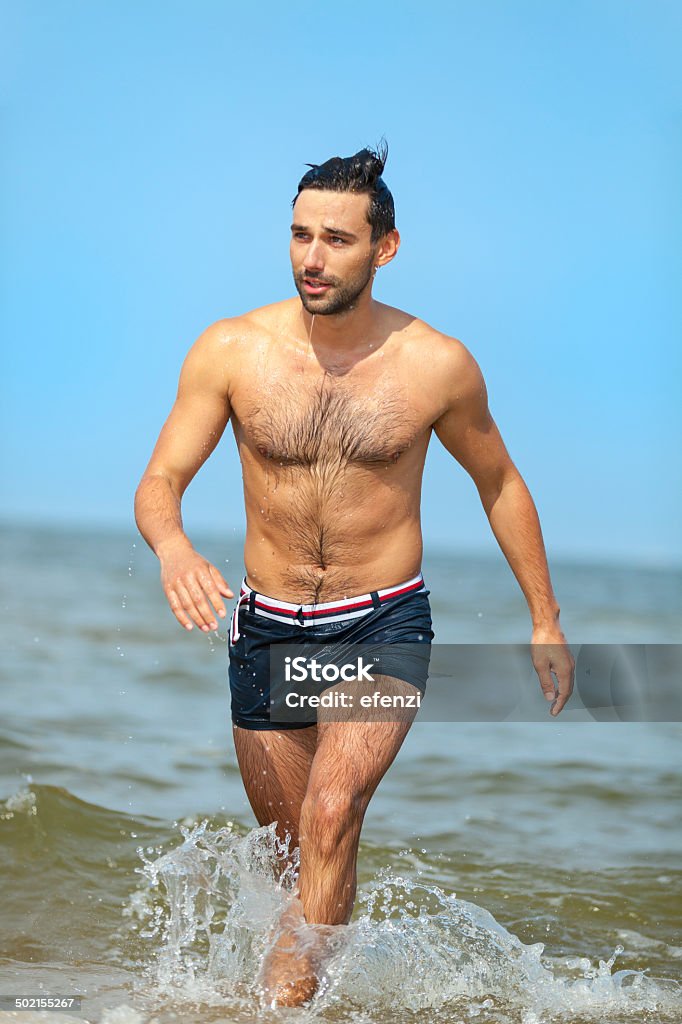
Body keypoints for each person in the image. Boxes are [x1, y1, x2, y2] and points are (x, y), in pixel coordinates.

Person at [134, 143, 574, 1006]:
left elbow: (500, 482)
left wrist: (545, 617)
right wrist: (174, 547)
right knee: (295, 853)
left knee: (333, 812)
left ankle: (284, 1004)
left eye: (336, 238)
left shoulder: (436, 364)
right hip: (266, 628)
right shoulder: (231, 350)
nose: (311, 257)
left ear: (386, 247)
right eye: (300, 235)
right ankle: (331, 989)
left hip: (382, 625)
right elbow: (161, 482)